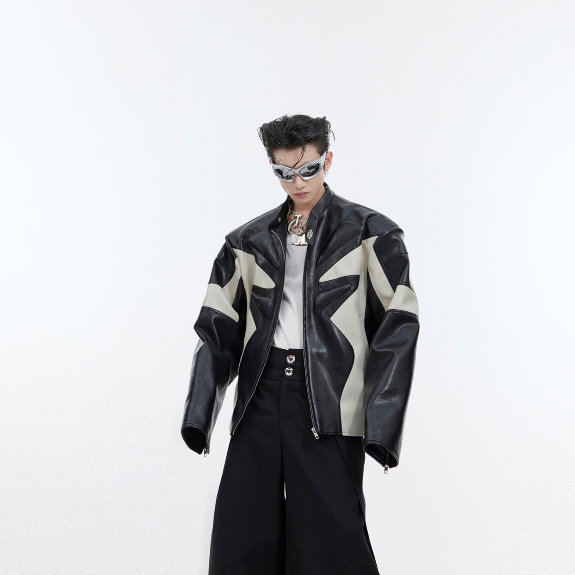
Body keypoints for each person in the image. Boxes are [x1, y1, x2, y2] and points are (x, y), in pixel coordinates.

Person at [181, 114, 420, 574]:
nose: (298, 182)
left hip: (330, 399)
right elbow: (216, 327)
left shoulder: (371, 232)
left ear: (327, 160)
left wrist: (383, 422)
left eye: (308, 168)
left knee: (331, 539)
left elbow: (399, 325)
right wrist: (199, 414)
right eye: (284, 172)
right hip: (260, 394)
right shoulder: (246, 241)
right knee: (241, 532)